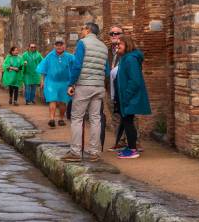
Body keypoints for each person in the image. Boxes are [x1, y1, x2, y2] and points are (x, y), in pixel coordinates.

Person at [64, 21, 110, 162]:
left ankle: (76, 152)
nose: (81, 31)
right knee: (95, 119)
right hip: (98, 86)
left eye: (83, 28)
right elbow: (107, 70)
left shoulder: (82, 43)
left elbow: (77, 66)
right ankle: (94, 151)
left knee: (77, 118)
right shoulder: (104, 47)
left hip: (84, 85)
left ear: (88, 30)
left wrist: (71, 83)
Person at [113, 31, 150, 159]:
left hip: (129, 97)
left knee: (128, 122)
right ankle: (130, 147)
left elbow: (135, 80)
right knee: (126, 121)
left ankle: (133, 150)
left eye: (120, 44)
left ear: (127, 44)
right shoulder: (126, 58)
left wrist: (126, 96)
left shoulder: (130, 59)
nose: (117, 47)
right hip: (127, 97)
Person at [38, 38, 76, 127]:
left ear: (64, 46)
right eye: (57, 45)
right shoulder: (49, 56)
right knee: (52, 100)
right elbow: (43, 68)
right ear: (54, 46)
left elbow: (76, 68)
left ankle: (61, 119)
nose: (59, 46)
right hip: (51, 82)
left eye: (61, 44)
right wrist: (42, 81)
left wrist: (73, 82)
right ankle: (52, 119)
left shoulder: (70, 57)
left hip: (65, 82)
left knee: (63, 102)